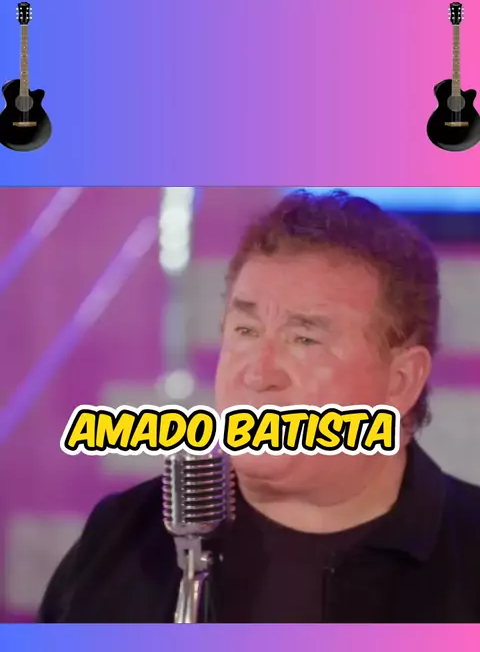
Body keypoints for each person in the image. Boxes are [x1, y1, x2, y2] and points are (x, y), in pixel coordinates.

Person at [39, 189, 480, 623]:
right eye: (246, 331)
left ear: (401, 381)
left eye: (304, 339)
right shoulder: (120, 540)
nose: (257, 374)